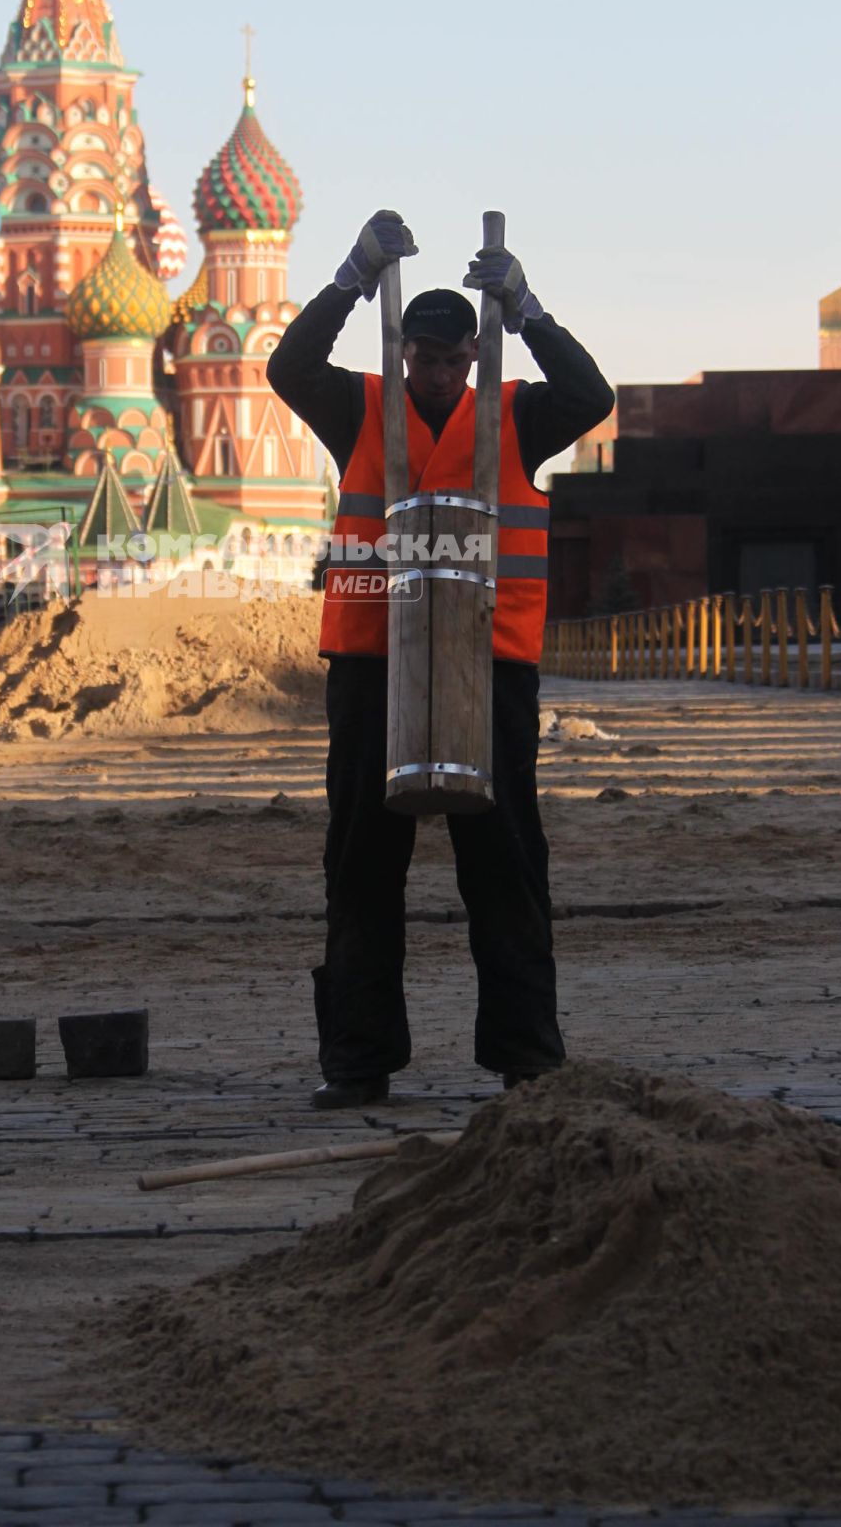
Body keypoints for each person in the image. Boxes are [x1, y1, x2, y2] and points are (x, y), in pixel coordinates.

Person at [266, 209, 614, 1109]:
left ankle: (526, 1058)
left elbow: (592, 397)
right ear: (404, 353)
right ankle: (358, 1060)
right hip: (372, 665)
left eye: (448, 358)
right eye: (418, 357)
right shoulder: (358, 406)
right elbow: (287, 368)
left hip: (488, 664)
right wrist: (351, 275)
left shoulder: (517, 410)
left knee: (504, 864)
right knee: (360, 864)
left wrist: (527, 308)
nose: (431, 372)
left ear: (470, 354)